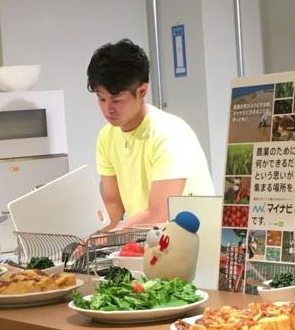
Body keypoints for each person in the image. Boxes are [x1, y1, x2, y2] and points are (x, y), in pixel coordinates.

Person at [89, 39, 214, 228]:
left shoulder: (170, 133)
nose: (108, 109)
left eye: (116, 100)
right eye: (101, 99)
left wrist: (111, 236)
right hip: (144, 238)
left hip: (190, 239)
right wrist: (93, 234)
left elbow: (159, 214)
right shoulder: (106, 136)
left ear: (142, 91)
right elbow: (113, 204)